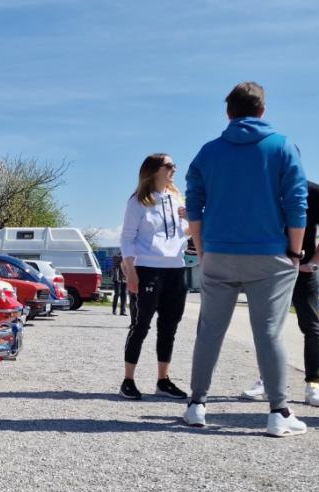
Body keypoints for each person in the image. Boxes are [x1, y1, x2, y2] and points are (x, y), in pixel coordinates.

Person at [181, 82, 309, 437]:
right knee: (268, 332)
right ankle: (278, 412)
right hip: (270, 254)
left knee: (210, 330)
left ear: (229, 113)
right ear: (262, 110)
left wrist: (201, 248)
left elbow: (194, 204)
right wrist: (295, 251)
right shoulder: (282, 146)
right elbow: (296, 203)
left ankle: (196, 405)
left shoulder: (208, 152)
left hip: (218, 252)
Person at [241, 182, 319, 407]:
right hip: (270, 270)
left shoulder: (316, 194)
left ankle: (313, 384)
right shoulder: (266, 190)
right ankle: (267, 380)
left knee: (311, 326)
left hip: (303, 270)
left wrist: (313, 263)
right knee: (267, 327)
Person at [117, 153, 191, 400]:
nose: (174, 169)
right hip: (147, 269)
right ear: (153, 170)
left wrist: (191, 219)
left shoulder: (177, 199)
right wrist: (131, 271)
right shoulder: (138, 201)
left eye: (174, 165)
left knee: (169, 327)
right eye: (169, 165)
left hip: (176, 269)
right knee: (140, 325)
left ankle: (163, 380)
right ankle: (128, 381)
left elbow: (185, 234)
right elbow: (127, 238)